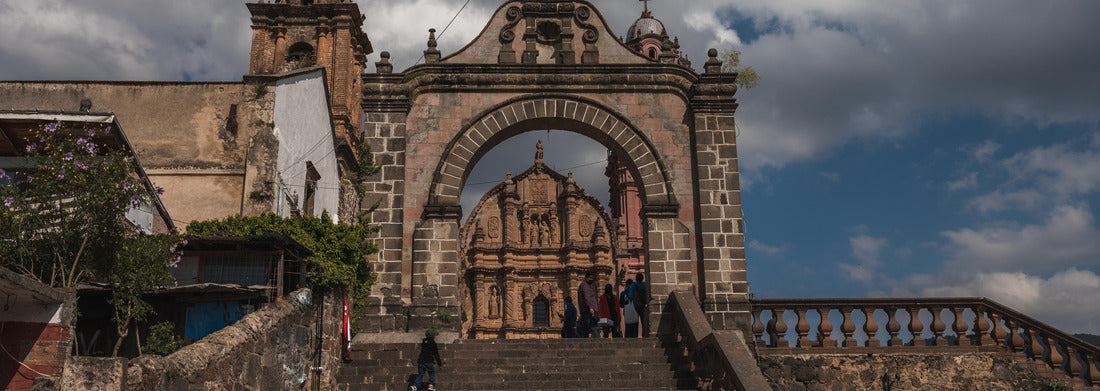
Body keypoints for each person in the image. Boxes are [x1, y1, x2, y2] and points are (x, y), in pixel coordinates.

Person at [577, 273, 600, 338]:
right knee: (593, 326)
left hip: (585, 310)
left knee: (585, 329)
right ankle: (599, 342)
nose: (591, 279)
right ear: (586, 277)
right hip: (588, 310)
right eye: (590, 278)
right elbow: (587, 297)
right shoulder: (585, 286)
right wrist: (591, 307)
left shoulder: (584, 285)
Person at [627, 273, 647, 338]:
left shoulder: (633, 285)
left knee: (635, 321)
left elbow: (630, 296)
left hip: (635, 305)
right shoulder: (644, 286)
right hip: (643, 305)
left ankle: (635, 335)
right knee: (643, 320)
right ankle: (644, 334)